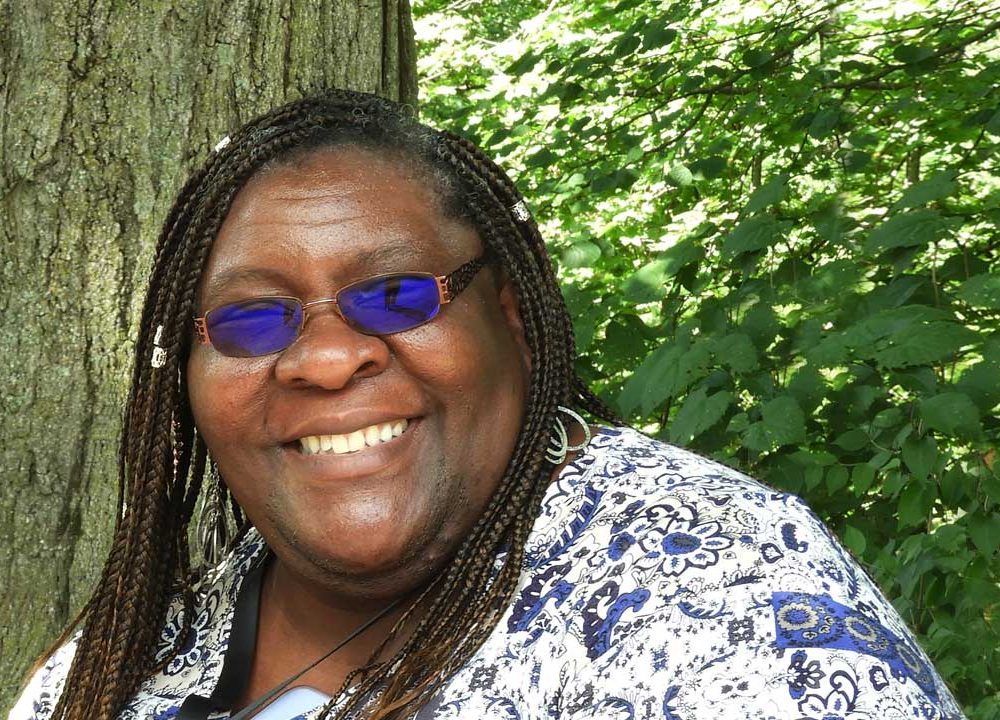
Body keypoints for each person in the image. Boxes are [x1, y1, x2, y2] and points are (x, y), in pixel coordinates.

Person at [10, 90, 965, 720]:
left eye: (396, 295)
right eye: (252, 319)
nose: (329, 360)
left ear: (510, 316)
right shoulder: (132, 651)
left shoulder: (722, 597)